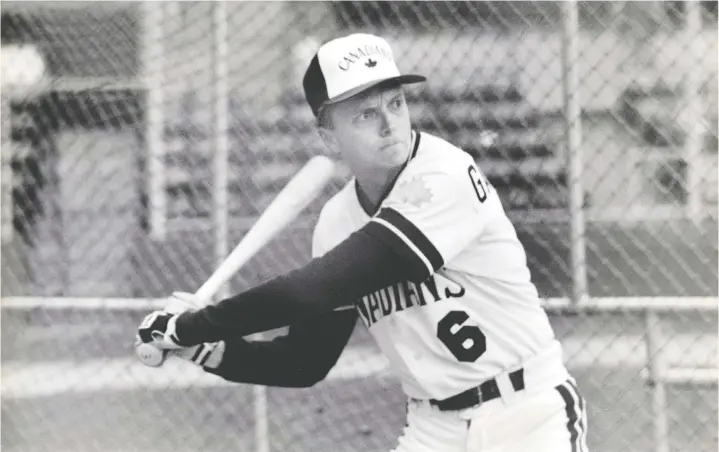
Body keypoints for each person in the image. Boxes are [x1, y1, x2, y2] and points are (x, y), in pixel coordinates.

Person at [136, 33, 589, 452]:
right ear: (328, 135)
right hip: (435, 427)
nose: (390, 124)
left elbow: (310, 289)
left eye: (395, 103)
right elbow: (303, 362)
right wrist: (204, 349)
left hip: (524, 413)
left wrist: (192, 325)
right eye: (366, 114)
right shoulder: (337, 221)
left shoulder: (443, 174)